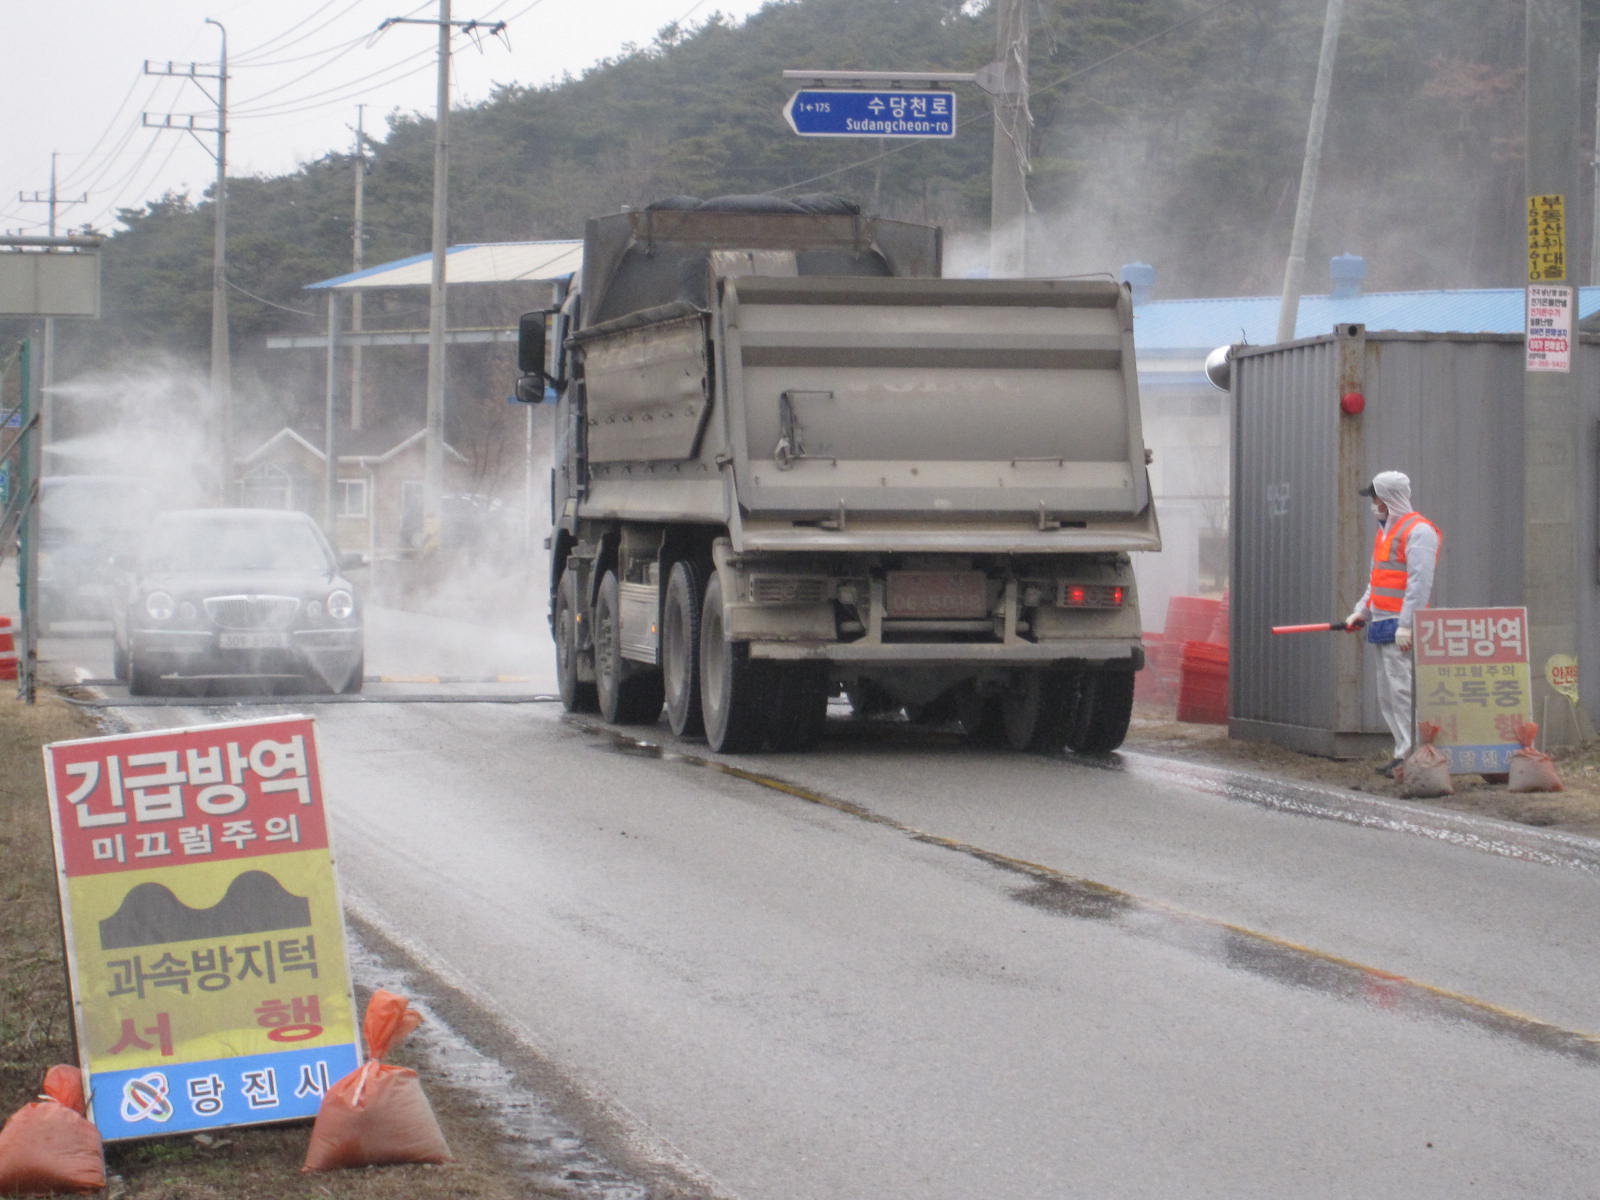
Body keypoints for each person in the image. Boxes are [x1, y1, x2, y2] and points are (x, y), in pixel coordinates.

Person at [1343, 470, 1441, 777]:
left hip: (1402, 625)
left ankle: (1413, 754)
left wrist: (1407, 624)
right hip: (1383, 623)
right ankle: (1402, 752)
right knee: (1388, 693)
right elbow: (1378, 579)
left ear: (1388, 498)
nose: (1373, 504)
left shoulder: (1419, 531)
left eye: (1375, 497)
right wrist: (1362, 611)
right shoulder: (1385, 530)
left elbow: (1419, 583)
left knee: (1403, 691)